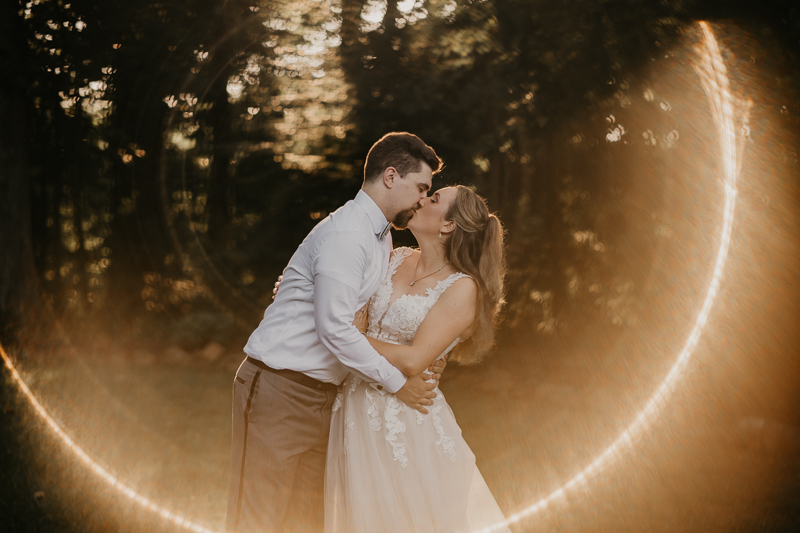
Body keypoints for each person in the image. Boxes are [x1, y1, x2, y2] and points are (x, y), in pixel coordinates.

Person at [226, 133, 448, 533]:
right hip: (280, 391)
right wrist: (397, 383)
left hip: (325, 400)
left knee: (307, 522)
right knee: (257, 520)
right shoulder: (349, 234)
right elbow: (334, 328)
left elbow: (364, 311)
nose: (421, 199)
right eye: (421, 188)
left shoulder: (379, 238)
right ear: (391, 176)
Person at [325, 185, 511, 532]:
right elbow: (339, 296)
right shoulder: (392, 257)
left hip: (407, 418)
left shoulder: (462, 288)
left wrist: (353, 336)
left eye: (434, 198)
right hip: (353, 404)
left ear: (448, 226)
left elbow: (413, 360)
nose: (421, 199)